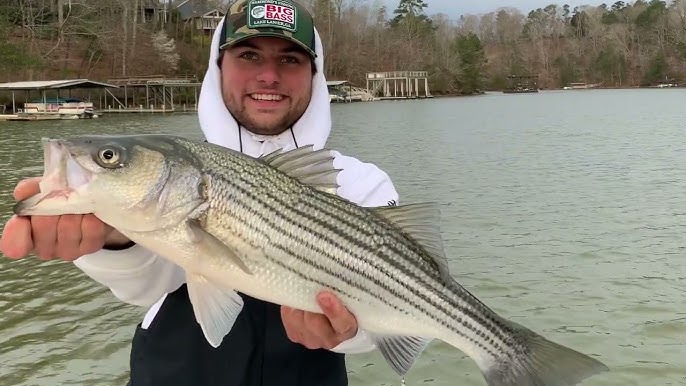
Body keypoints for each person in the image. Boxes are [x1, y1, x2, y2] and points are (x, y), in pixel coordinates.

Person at [0, 0, 400, 385]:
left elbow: (401, 314)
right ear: (217, 67)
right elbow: (146, 286)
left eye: (290, 59)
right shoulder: (175, 167)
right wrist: (112, 241)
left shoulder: (362, 183)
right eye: (248, 56)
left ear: (315, 73)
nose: (269, 76)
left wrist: (349, 332)